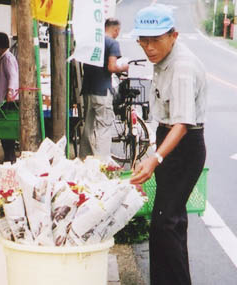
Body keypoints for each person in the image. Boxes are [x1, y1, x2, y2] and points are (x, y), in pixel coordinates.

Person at [130, 5, 207, 285]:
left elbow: (183, 124)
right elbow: (163, 118)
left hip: (184, 147)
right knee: (167, 223)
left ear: (173, 35)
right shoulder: (162, 60)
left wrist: (155, 159)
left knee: (166, 223)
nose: (148, 47)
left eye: (155, 40)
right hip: (169, 142)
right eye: (143, 40)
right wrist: (152, 153)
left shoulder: (182, 66)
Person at [79, 18, 129, 160]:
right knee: (103, 127)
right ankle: (101, 165)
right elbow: (112, 67)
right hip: (103, 91)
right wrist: (124, 67)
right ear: (116, 30)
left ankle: (84, 161)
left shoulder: (92, 42)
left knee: (88, 128)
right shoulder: (112, 43)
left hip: (88, 90)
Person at [0, 32, 19, 163]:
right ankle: (8, 156)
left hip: (8, 101)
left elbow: (13, 76)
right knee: (3, 131)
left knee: (7, 132)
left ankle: (10, 157)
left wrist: (10, 93)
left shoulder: (7, 58)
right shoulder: (2, 58)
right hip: (2, 99)